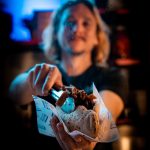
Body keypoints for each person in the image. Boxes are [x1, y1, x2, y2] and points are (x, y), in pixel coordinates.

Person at [9, 0, 127, 149]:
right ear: (56, 33)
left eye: (86, 23)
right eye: (70, 23)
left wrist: (93, 133)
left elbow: (106, 113)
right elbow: (14, 93)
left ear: (97, 37)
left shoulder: (113, 76)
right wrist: (32, 81)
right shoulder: (43, 74)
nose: (77, 29)